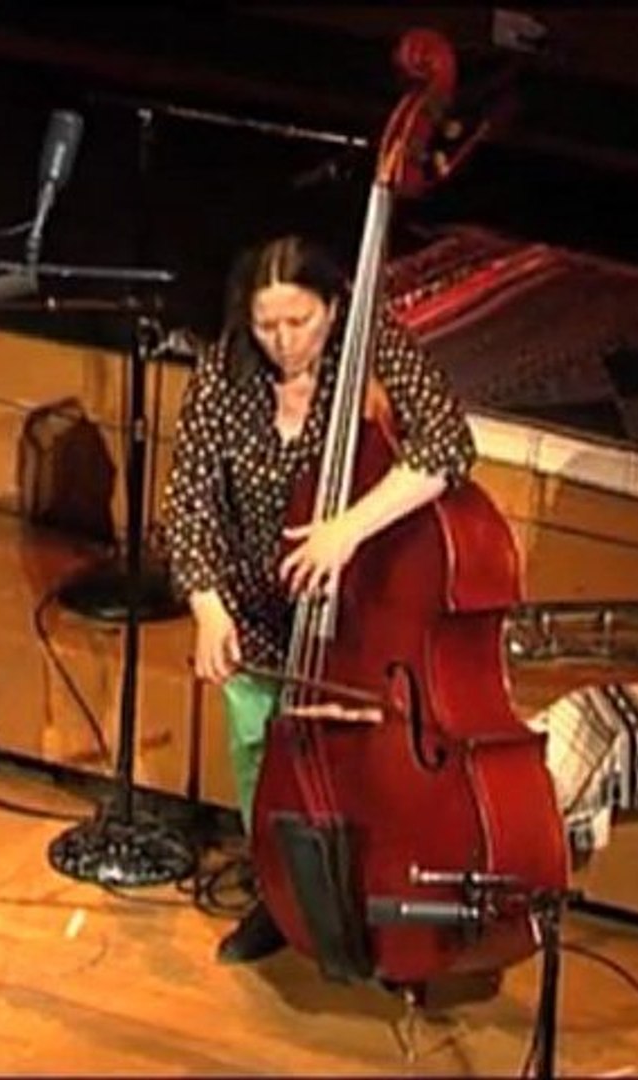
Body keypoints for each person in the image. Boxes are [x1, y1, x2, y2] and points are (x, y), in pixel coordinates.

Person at [158, 235, 477, 964]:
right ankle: (279, 896)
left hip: (360, 618)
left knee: (366, 764)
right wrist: (207, 605)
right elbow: (190, 500)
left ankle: (372, 897)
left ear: (333, 308)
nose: (283, 341)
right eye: (266, 325)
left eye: (298, 322)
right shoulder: (222, 373)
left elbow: (448, 444)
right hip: (257, 613)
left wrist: (346, 531)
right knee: (261, 759)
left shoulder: (371, 344)